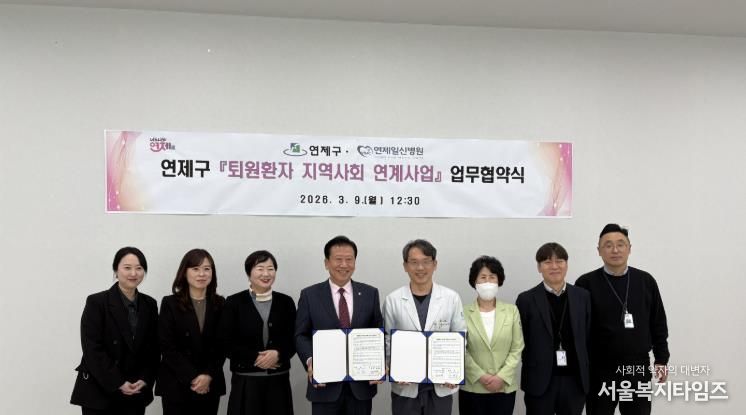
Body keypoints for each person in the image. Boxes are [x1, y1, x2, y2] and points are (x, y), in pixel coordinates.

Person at [576, 224, 669, 415]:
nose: (615, 250)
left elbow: (658, 322)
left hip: (636, 367)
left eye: (620, 244)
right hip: (599, 370)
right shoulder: (585, 283)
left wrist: (661, 359)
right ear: (599, 250)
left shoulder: (646, 281)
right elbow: (578, 330)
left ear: (629, 248)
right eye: (608, 245)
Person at [295, 235, 384, 415]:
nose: (344, 265)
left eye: (349, 259)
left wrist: (379, 363)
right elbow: (300, 335)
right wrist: (311, 361)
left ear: (355, 262)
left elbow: (378, 333)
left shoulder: (370, 293)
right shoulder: (310, 295)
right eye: (338, 259)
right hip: (324, 387)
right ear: (326, 263)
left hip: (360, 387)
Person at [70, 247, 160, 415]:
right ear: (116, 270)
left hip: (135, 390)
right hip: (100, 391)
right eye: (127, 267)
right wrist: (118, 382)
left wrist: (145, 379)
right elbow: (92, 348)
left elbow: (153, 348)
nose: (133, 273)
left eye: (139, 268)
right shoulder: (97, 302)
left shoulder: (150, 304)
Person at [383, 239, 467, 415]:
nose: (420, 268)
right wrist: (394, 368)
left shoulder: (451, 298)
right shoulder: (393, 300)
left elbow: (461, 338)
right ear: (405, 266)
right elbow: (387, 340)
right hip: (405, 387)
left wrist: (455, 372)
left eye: (426, 261)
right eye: (414, 262)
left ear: (435, 264)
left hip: (441, 386)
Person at [516, 243, 590, 415]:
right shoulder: (526, 299)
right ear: (539, 267)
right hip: (540, 381)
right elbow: (520, 340)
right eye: (548, 262)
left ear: (567, 264)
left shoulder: (582, 296)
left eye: (560, 261)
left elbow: (588, 337)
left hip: (574, 381)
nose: (554, 266)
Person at [220, 250, 297, 415]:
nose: (266, 274)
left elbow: (294, 338)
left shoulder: (286, 302)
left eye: (270, 269)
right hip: (246, 382)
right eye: (260, 268)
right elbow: (226, 342)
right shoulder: (233, 302)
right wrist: (256, 358)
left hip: (278, 381)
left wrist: (278, 354)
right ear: (249, 273)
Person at [155, 249, 226, 415]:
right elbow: (166, 345)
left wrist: (207, 375)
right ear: (184, 272)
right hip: (176, 384)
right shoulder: (170, 303)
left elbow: (222, 345)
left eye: (207, 269)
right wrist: (193, 377)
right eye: (195, 269)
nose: (202, 274)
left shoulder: (220, 303)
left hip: (209, 384)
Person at [461, 255, 524, 415]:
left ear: (499, 280)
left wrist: (501, 377)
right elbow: (460, 349)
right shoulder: (462, 312)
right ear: (474, 281)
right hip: (473, 387)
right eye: (483, 277)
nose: (487, 282)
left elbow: (517, 347)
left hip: (504, 387)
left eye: (492, 277)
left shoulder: (511, 311)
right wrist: (480, 376)